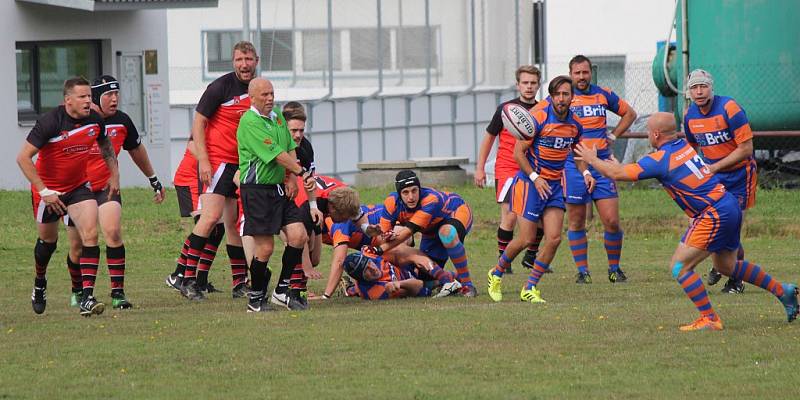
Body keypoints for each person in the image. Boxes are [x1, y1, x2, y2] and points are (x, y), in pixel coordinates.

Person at [574, 112, 798, 330]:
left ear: (656, 135)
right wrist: (614, 165)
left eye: (649, 132)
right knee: (726, 266)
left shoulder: (661, 159)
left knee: (680, 267)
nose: (648, 136)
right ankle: (783, 291)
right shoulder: (683, 147)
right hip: (728, 204)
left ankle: (710, 318)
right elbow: (624, 169)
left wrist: (593, 160)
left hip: (713, 214)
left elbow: (619, 175)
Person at [16, 77, 119, 316]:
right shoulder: (50, 122)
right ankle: (40, 282)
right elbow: (23, 158)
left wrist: (114, 175)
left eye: (89, 97)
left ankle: (87, 297)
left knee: (90, 235)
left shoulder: (95, 119)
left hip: (79, 187)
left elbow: (105, 145)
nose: (88, 102)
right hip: (48, 190)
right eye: (82, 97)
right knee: (48, 244)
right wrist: (44, 191)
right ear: (68, 100)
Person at [62, 75, 165, 310]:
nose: (115, 99)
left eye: (117, 94)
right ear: (97, 97)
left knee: (113, 232)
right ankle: (79, 290)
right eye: (109, 94)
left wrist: (154, 180)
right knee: (78, 246)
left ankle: (117, 293)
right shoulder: (78, 120)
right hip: (76, 190)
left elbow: (137, 151)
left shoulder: (122, 121)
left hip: (107, 188)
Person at [487, 75, 591, 304]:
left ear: (572, 98)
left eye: (566, 94)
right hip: (530, 184)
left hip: (553, 186)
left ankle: (530, 287)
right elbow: (518, 153)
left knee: (554, 239)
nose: (562, 98)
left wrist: (585, 172)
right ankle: (496, 273)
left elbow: (578, 152)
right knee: (526, 239)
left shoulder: (575, 125)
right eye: (558, 94)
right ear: (551, 97)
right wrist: (535, 178)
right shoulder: (538, 119)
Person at [171, 41, 258, 300]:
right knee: (209, 219)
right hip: (218, 162)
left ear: (256, 60)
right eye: (240, 59)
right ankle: (186, 279)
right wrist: (204, 161)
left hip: (240, 165)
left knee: (232, 224)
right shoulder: (220, 87)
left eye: (249, 59)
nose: (244, 64)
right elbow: (198, 123)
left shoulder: (257, 89)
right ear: (233, 62)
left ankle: (239, 283)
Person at [237, 77, 309, 313]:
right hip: (257, 190)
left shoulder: (277, 116)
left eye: (271, 94)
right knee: (265, 248)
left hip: (279, 187)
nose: (270, 99)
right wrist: (300, 172)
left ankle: (281, 291)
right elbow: (276, 154)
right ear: (252, 98)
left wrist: (290, 177)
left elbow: (289, 147)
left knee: (298, 235)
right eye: (264, 95)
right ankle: (255, 299)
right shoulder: (249, 122)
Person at [564, 55, 636, 284]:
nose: (582, 77)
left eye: (585, 72)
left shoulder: (602, 93)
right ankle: (582, 271)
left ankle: (614, 269)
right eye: (577, 73)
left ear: (590, 73)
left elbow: (630, 114)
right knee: (576, 221)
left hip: (603, 164)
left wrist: (613, 136)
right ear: (571, 74)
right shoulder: (563, 97)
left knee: (612, 221)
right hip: (574, 166)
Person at [684, 69, 754, 294]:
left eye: (703, 86)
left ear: (712, 87)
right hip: (714, 177)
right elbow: (691, 149)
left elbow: (746, 149)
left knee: (731, 228)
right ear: (689, 92)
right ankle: (721, 263)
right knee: (715, 225)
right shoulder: (690, 116)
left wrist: (713, 166)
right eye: (694, 87)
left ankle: (734, 278)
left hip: (740, 174)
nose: (699, 91)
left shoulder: (729, 108)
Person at [474, 65, 543, 274]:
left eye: (533, 83)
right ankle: (504, 259)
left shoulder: (542, 110)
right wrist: (479, 168)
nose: (529, 87)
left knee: (537, 215)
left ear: (538, 85)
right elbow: (489, 138)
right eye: (525, 83)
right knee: (510, 216)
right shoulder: (506, 110)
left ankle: (531, 257)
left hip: (532, 168)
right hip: (507, 168)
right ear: (518, 85)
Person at [168, 140, 250, 299]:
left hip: (225, 170)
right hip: (193, 176)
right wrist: (208, 162)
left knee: (221, 227)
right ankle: (179, 275)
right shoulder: (210, 117)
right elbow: (192, 144)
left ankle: (205, 281)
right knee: (209, 224)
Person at [377, 170, 478, 297]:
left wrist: (378, 249)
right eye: (405, 192)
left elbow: (408, 232)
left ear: (419, 189)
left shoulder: (430, 199)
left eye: (414, 190)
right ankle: (454, 279)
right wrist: (385, 238)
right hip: (430, 229)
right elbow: (384, 236)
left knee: (447, 234)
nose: (411, 197)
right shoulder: (391, 202)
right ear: (399, 194)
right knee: (425, 278)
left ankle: (468, 286)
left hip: (456, 211)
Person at [342, 246, 462, 300]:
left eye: (370, 264)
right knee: (456, 278)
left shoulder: (368, 254)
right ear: (362, 278)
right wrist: (400, 284)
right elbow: (418, 286)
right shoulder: (376, 292)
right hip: (418, 284)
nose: (372, 268)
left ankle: (447, 279)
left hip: (409, 268)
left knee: (400, 249)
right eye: (366, 271)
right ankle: (351, 289)